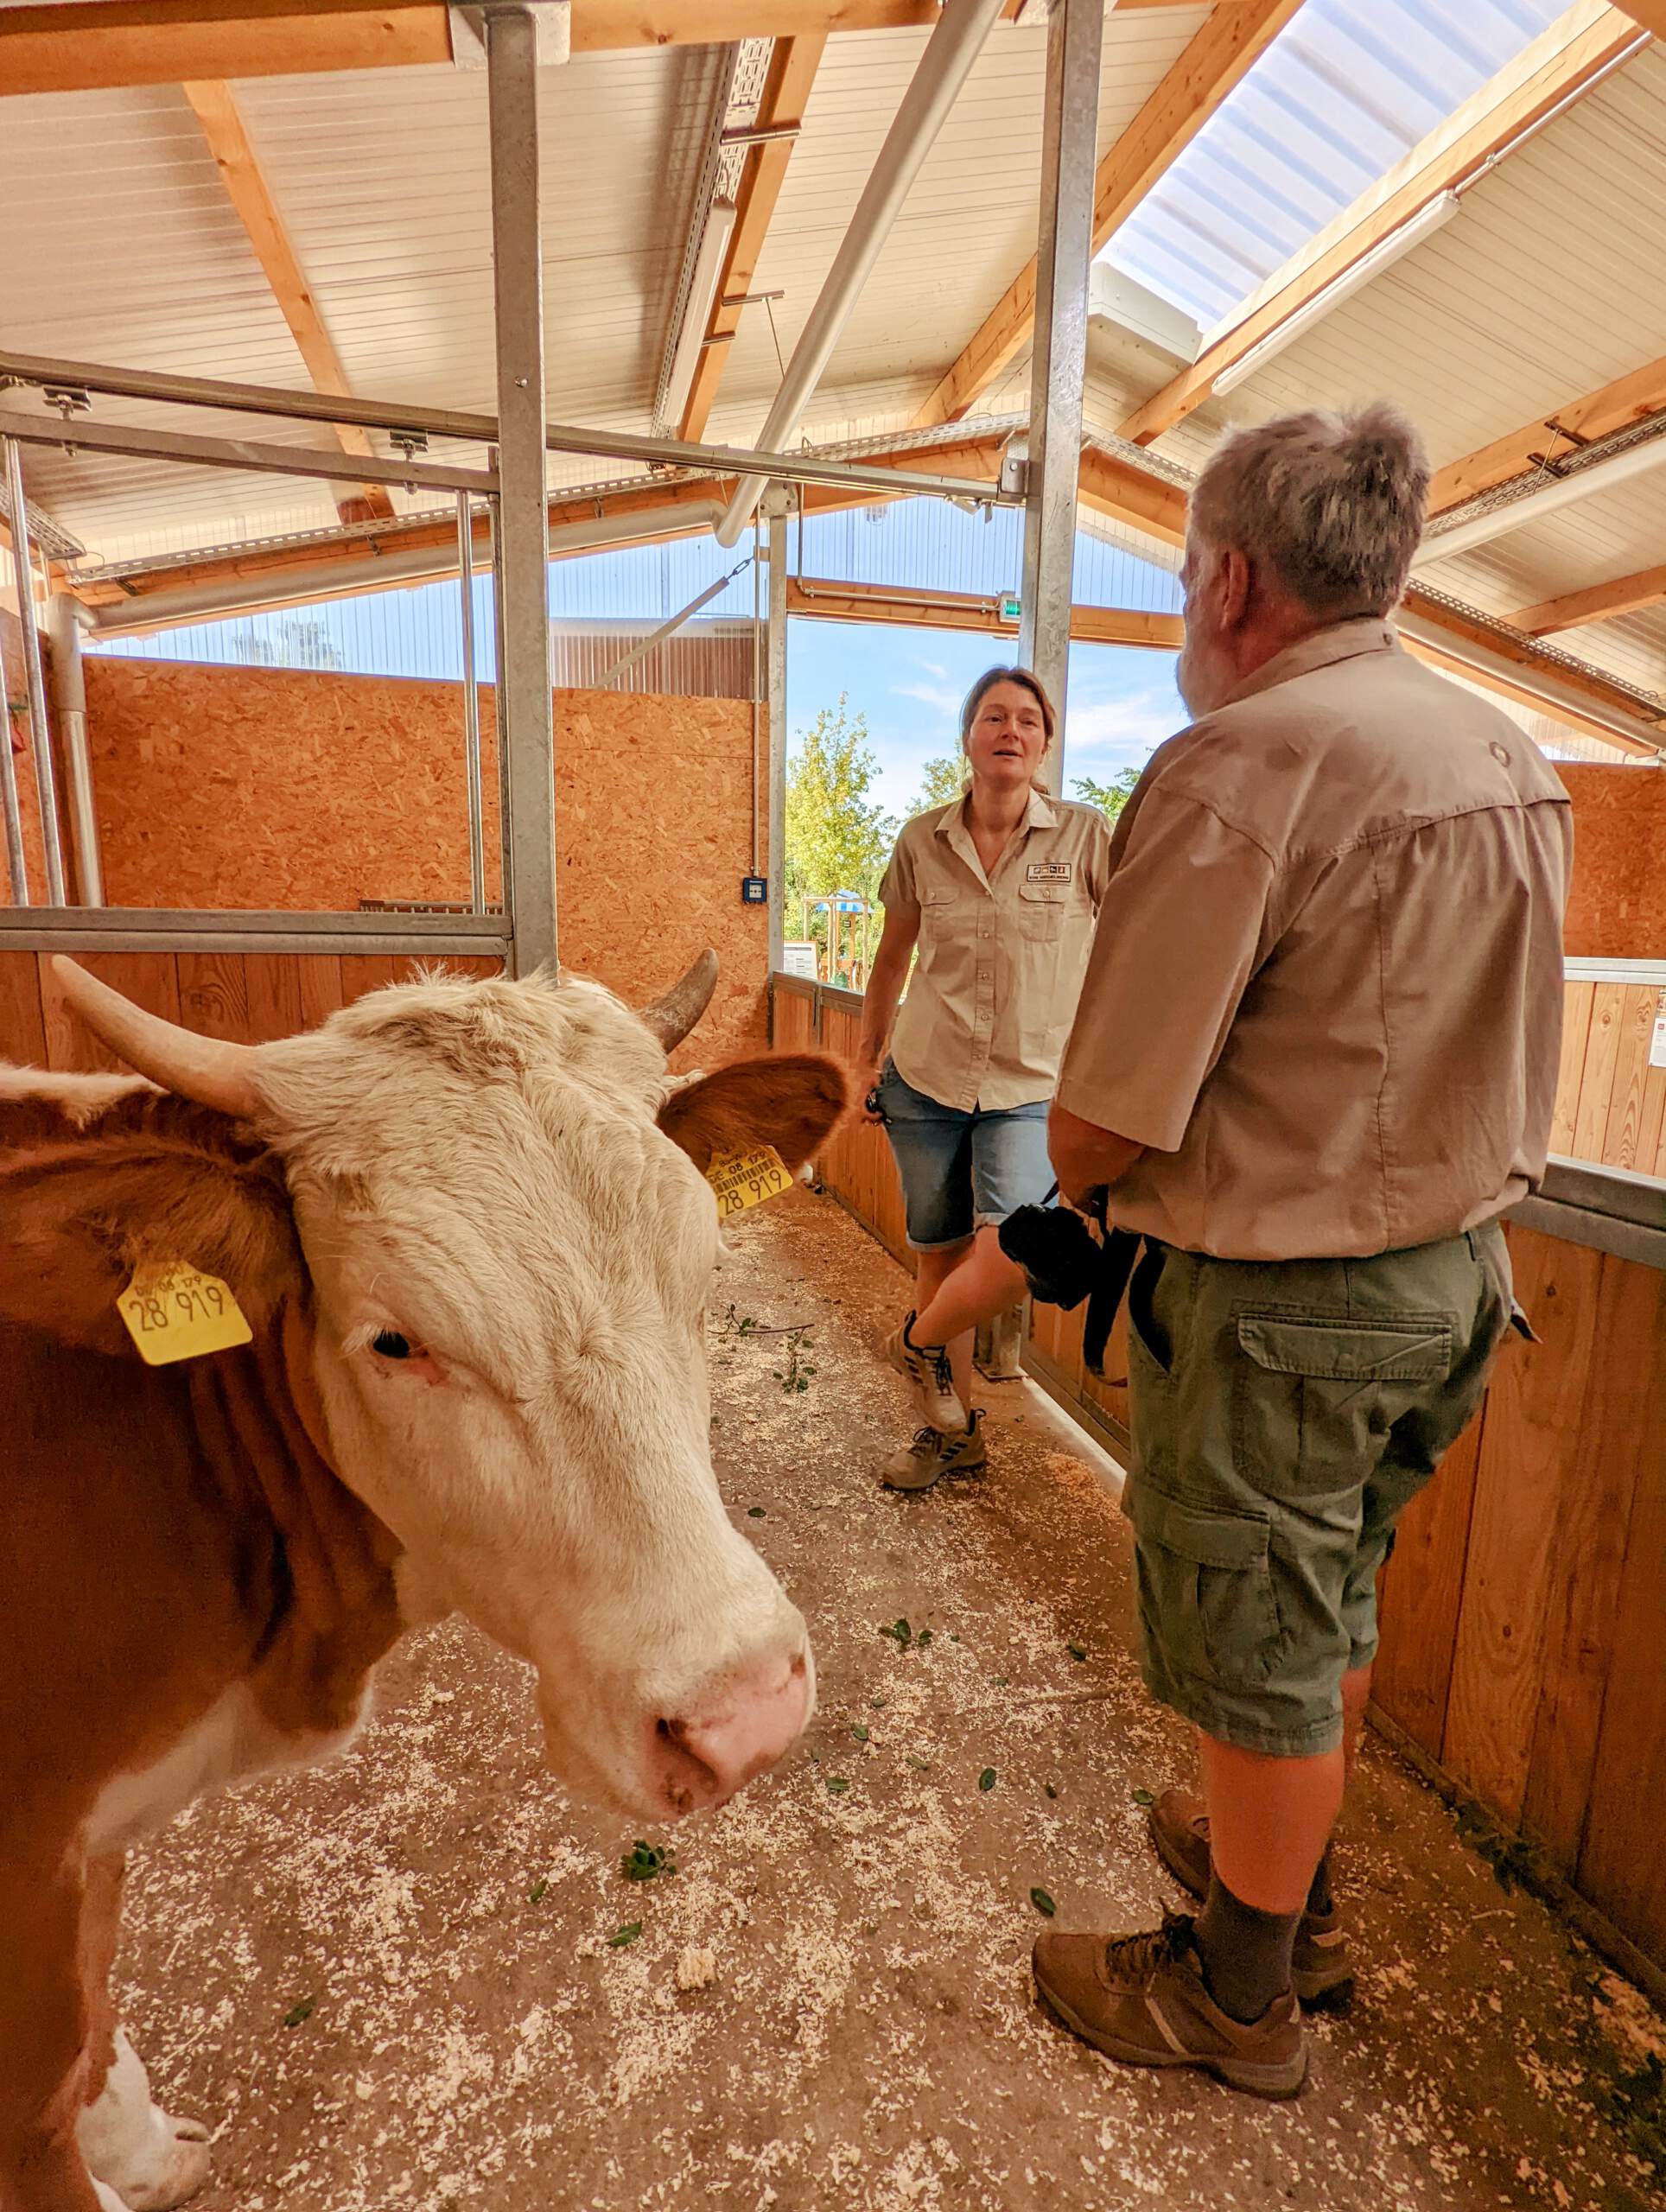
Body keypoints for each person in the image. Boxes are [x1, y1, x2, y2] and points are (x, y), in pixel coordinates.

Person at [1028, 404, 1572, 2098]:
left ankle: (1235, 1994)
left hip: (1287, 1300)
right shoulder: (1506, 754)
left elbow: (1100, 1120)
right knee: (1328, 1601)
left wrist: (1069, 1168)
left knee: (1256, 1642)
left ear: (1235, 576)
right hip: (1457, 1282)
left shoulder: (1249, 763)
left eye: (1188, 568)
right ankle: (1287, 1872)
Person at [855, 667, 1111, 1492]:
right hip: (925, 1076)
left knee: (1013, 1250)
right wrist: (868, 1059)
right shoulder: (920, 838)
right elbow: (893, 958)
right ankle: (952, 1432)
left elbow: (1125, 956)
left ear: (1045, 743)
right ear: (968, 737)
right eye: (993, 717)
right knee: (940, 1253)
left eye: (1028, 720)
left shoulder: (1086, 838)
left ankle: (917, 1341)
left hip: (1034, 1084)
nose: (1011, 730)